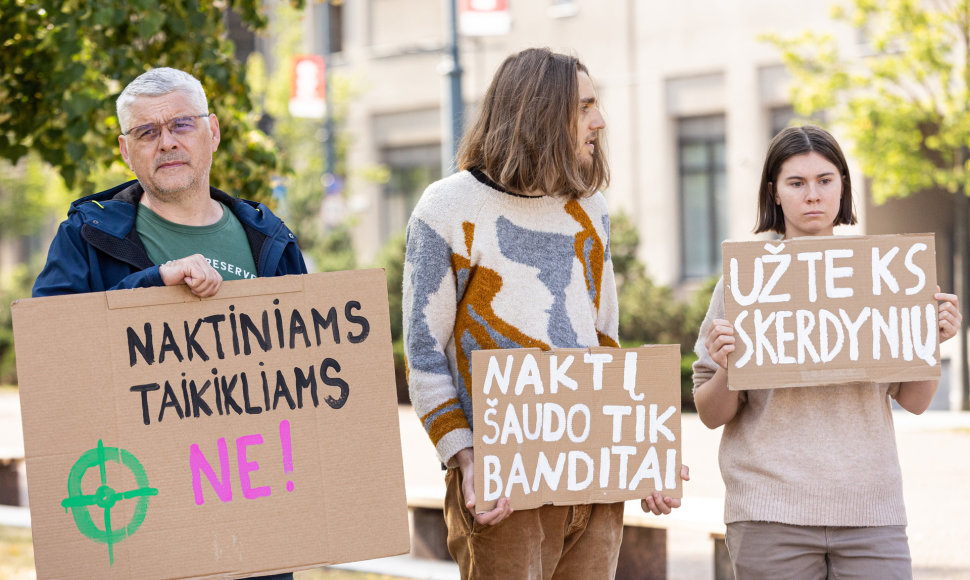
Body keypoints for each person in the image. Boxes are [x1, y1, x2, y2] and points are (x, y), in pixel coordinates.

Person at [403, 47, 687, 579]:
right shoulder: (446, 208)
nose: (599, 120)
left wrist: (642, 453)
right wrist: (465, 458)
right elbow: (423, 355)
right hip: (502, 487)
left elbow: (605, 339)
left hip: (594, 482)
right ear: (537, 111)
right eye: (584, 106)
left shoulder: (591, 208)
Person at [32, 67, 305, 580]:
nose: (167, 143)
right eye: (147, 132)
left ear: (213, 131)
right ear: (124, 149)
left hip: (255, 533)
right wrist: (150, 284)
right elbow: (50, 347)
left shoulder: (271, 240)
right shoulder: (84, 237)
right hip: (141, 525)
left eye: (181, 124)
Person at [692, 124, 962, 579]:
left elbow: (915, 402)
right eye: (796, 183)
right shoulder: (743, 282)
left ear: (843, 187)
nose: (812, 195)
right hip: (769, 511)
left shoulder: (886, 276)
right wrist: (726, 368)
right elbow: (710, 412)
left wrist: (928, 343)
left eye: (825, 180)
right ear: (774, 193)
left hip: (871, 512)